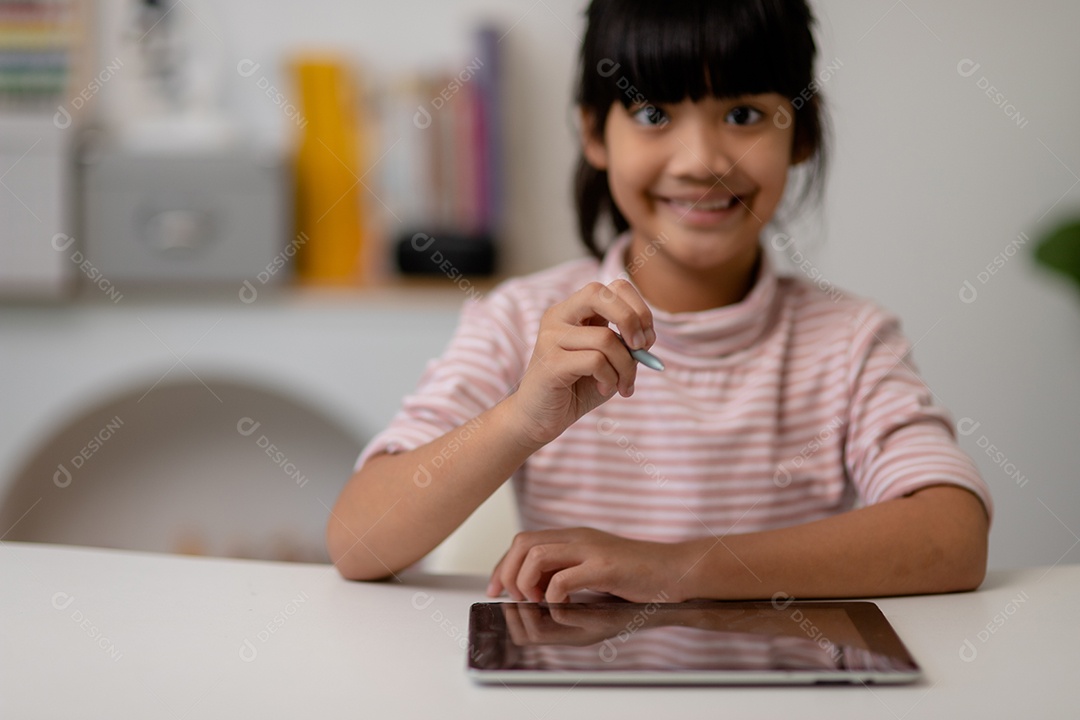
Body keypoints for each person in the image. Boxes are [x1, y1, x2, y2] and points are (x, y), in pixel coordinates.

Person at [327, 0, 991, 603]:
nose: (701, 160)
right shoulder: (521, 321)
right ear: (594, 133)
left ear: (803, 133)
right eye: (652, 114)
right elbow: (358, 540)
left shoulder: (850, 341)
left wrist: (677, 568)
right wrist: (521, 418)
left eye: (743, 115)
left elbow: (953, 534)